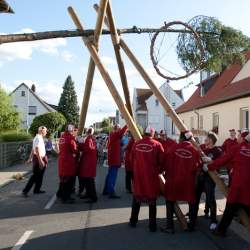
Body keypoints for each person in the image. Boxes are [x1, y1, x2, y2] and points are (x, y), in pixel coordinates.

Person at [206, 130, 250, 236]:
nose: (237, 138)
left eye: (239, 136)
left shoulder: (237, 148)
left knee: (230, 209)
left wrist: (209, 166)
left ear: (243, 139)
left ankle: (220, 230)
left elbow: (223, 160)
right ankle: (221, 230)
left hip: (238, 186)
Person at [162, 130, 200, 233]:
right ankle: (191, 226)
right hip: (188, 182)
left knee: (169, 201)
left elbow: (167, 162)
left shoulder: (174, 148)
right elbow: (197, 167)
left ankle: (170, 227)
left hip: (174, 179)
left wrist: (164, 173)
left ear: (182, 138)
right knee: (191, 202)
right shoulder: (194, 151)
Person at [129, 126, 164, 232]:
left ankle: (133, 221)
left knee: (137, 198)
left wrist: (136, 168)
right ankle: (152, 226)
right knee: (152, 201)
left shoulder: (137, 144)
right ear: (152, 134)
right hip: (151, 177)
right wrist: (158, 171)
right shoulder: (157, 144)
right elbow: (162, 161)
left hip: (139, 176)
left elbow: (131, 158)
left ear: (144, 133)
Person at [194, 132, 223, 231]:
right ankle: (193, 217)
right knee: (196, 197)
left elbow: (220, 164)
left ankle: (214, 221)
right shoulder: (204, 150)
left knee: (211, 198)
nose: (205, 140)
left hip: (210, 178)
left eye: (207, 138)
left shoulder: (218, 151)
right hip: (201, 175)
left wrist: (211, 163)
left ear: (211, 140)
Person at [103, 124, 128, 198]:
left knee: (110, 175)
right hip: (114, 159)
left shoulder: (114, 136)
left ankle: (106, 190)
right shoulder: (114, 134)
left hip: (113, 159)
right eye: (119, 128)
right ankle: (111, 192)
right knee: (112, 176)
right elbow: (121, 133)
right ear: (117, 129)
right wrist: (127, 124)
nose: (120, 130)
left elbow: (121, 143)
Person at [22, 126, 48, 197]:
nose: (46, 132)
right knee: (35, 176)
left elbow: (33, 149)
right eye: (45, 131)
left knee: (40, 176)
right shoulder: (38, 138)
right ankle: (25, 191)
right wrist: (40, 161)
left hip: (41, 158)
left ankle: (37, 189)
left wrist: (30, 158)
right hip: (39, 159)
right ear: (41, 131)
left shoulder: (39, 138)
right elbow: (36, 149)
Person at [56, 124, 78, 204]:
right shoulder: (70, 138)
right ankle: (66, 197)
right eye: (73, 130)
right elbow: (74, 149)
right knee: (68, 181)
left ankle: (60, 194)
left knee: (63, 179)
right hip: (68, 161)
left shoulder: (62, 137)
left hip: (62, 160)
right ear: (71, 130)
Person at [78, 127, 98, 203]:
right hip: (89, 162)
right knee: (87, 179)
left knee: (89, 180)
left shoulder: (89, 139)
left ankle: (93, 197)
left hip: (88, 163)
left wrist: (80, 143)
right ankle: (88, 194)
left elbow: (86, 149)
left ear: (87, 132)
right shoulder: (91, 139)